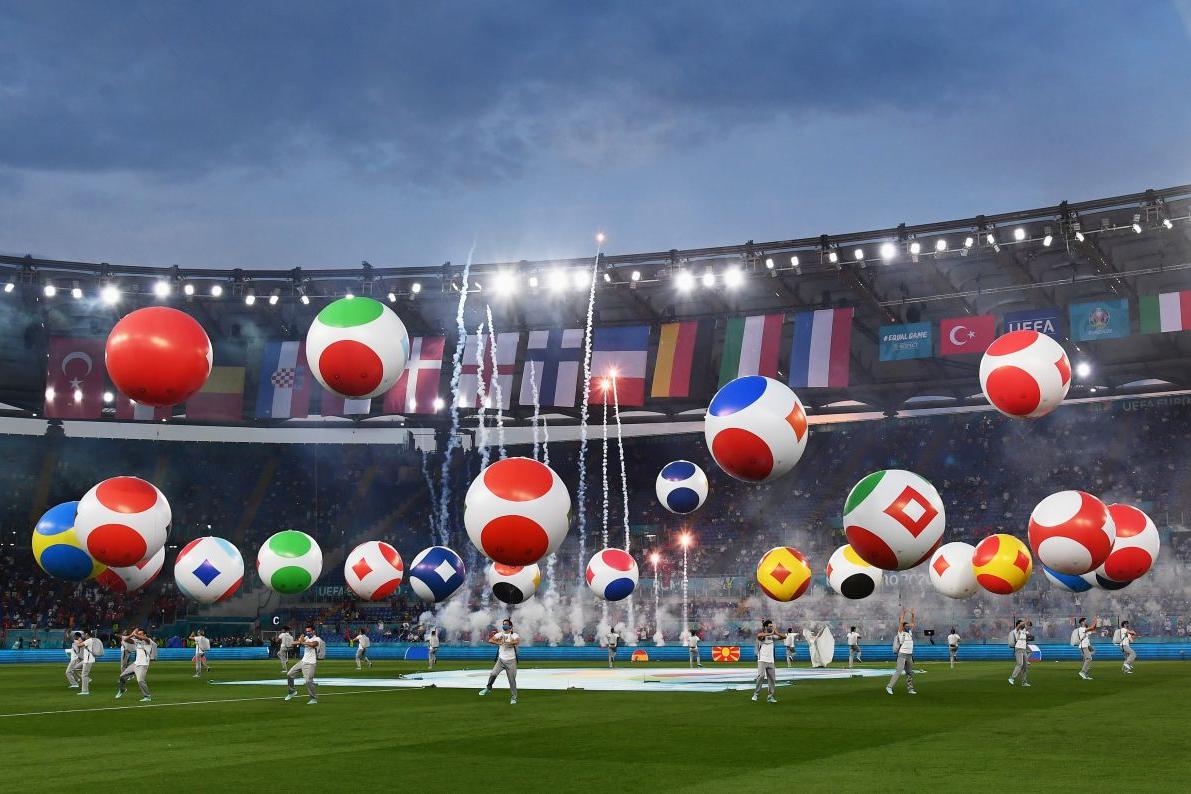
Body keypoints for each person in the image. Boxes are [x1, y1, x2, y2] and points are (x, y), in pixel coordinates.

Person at [479, 618, 519, 704]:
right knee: (493, 674)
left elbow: (516, 641)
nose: (504, 625)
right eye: (503, 624)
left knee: (512, 680)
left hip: (511, 661)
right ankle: (488, 688)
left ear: (510, 626)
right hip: (501, 660)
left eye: (506, 624)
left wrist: (508, 643)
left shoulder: (514, 635)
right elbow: (490, 640)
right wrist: (499, 642)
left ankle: (514, 698)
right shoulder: (500, 634)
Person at [285, 625, 322, 704]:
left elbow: (313, 644)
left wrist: (301, 641)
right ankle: (292, 692)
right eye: (307, 631)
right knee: (289, 674)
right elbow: (293, 643)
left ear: (313, 631)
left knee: (308, 681)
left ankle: (313, 699)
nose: (307, 632)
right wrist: (299, 640)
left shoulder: (317, 639)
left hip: (311, 663)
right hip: (303, 661)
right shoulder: (306, 638)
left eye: (309, 631)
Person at [116, 628, 153, 702]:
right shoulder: (136, 641)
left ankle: (147, 696)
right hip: (135, 664)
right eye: (138, 633)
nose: (138, 635)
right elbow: (125, 640)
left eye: (140, 634)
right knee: (122, 676)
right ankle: (122, 690)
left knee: (140, 681)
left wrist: (135, 634)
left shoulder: (148, 641)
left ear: (144, 635)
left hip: (143, 665)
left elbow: (143, 638)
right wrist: (132, 634)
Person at [886, 609, 917, 695]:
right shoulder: (900, 632)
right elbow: (901, 623)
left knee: (909, 673)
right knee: (899, 671)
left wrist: (913, 615)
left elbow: (913, 624)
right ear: (903, 626)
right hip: (902, 654)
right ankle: (889, 686)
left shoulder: (909, 633)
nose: (907, 626)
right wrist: (903, 613)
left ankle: (910, 689)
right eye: (905, 625)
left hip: (909, 655)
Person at [752, 619, 780, 703]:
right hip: (762, 659)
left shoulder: (772, 636)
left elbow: (783, 637)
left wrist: (776, 632)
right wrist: (771, 632)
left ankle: (770, 696)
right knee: (761, 676)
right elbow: (760, 635)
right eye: (770, 626)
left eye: (772, 626)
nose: (771, 627)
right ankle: (755, 694)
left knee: (772, 679)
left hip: (771, 660)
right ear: (765, 627)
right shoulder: (761, 636)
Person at [79, 630, 102, 696]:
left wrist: (79, 639)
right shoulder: (91, 640)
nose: (83, 635)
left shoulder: (88, 640)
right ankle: (85, 686)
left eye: (83, 634)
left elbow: (79, 645)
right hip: (87, 660)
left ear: (86, 634)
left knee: (84, 675)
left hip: (88, 660)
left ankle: (85, 691)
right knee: (79, 671)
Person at [1008, 620, 1031, 687]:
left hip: (1023, 649)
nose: (1024, 625)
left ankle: (1024, 682)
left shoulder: (1024, 631)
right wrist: (1025, 621)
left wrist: (1027, 622)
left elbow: (1028, 629)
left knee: (1025, 666)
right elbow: (1019, 626)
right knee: (1020, 664)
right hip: (1018, 648)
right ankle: (1011, 678)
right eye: (1022, 624)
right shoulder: (1016, 630)